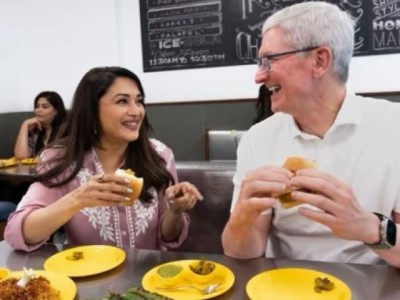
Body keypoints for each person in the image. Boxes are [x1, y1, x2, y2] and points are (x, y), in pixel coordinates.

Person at [222, 2, 400, 267]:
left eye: (269, 60)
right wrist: (243, 216)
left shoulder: (393, 126)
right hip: (282, 286)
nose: (259, 76)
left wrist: (370, 228)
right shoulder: (257, 140)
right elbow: (241, 253)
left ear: (320, 60)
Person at [5, 66, 203, 252]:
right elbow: (17, 232)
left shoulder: (159, 155)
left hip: (147, 279)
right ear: (91, 110)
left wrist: (175, 210)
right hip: (87, 282)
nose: (136, 111)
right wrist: (78, 198)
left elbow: (167, 237)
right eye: (122, 101)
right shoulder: (60, 158)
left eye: (139, 101)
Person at [14, 91, 67, 159]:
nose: (39, 110)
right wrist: (25, 125)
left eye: (45, 107)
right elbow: (21, 156)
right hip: (37, 169)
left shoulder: (66, 129)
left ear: (56, 111)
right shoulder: (34, 130)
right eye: (37, 106)